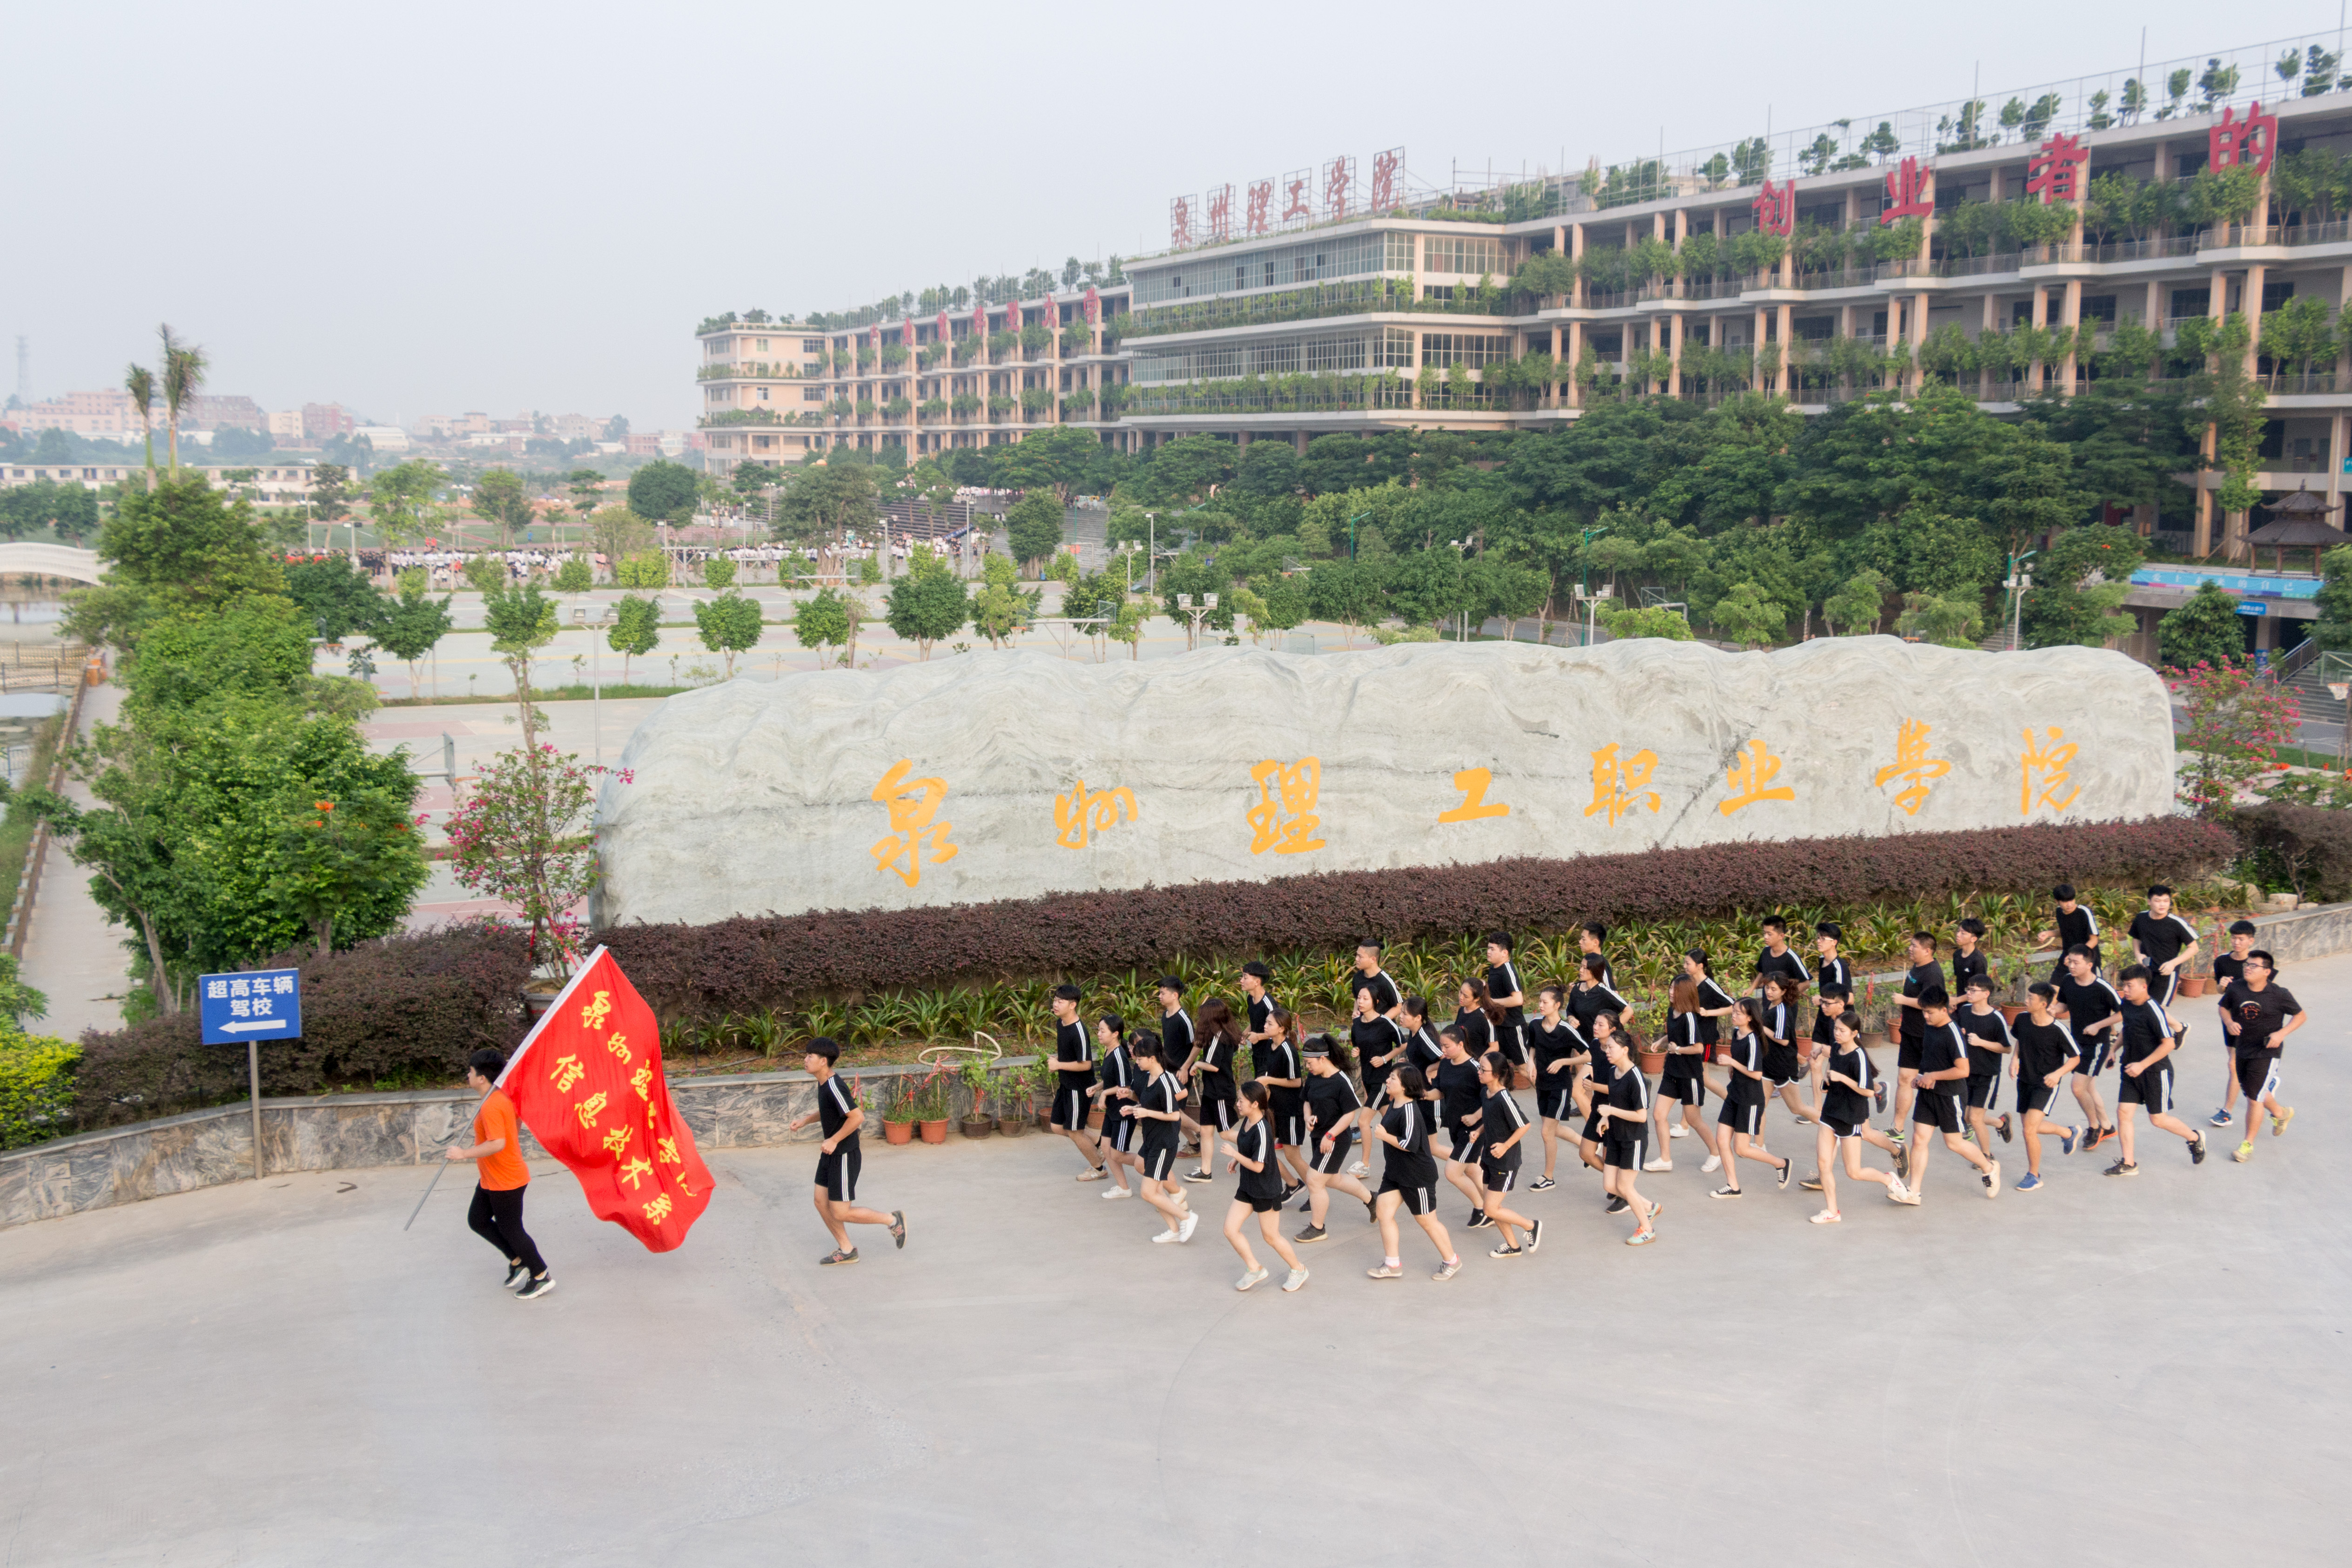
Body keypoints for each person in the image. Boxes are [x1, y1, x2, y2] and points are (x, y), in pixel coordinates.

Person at [786, 1037, 907, 1265]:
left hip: (843, 1154)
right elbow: (831, 1110)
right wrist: (805, 1121)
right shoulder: (824, 1083)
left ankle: (892, 1220)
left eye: (810, 1057)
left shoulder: (834, 1086)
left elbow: (857, 1117)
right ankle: (846, 1249)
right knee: (821, 1202)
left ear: (823, 1061)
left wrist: (833, 1140)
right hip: (831, 1153)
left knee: (841, 1212)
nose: (805, 1060)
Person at [452, 1047, 555, 1299]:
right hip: (491, 1177)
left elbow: (498, 1143)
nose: (468, 1075)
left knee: (512, 1230)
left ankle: (541, 1275)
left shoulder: (492, 1105)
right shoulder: (500, 1098)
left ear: (482, 1078)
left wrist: (463, 1154)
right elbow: (515, 1123)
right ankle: (518, 1261)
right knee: (477, 1220)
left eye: (471, 1071)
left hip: (506, 1180)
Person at [1806, 1014, 1909, 1221]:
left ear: (1854, 1033)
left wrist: (1842, 1078)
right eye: (1836, 1029)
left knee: (1854, 1172)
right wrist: (1826, 1076)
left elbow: (1869, 1091)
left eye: (1842, 1031)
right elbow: (1830, 1059)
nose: (1837, 1033)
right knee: (1823, 1164)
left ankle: (1889, 1180)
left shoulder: (1859, 1056)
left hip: (1851, 1116)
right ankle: (1832, 1212)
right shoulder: (1836, 1049)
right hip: (1830, 1113)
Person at [2108, 966, 2208, 1175]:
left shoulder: (2153, 1010)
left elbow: (2170, 1044)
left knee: (2158, 1120)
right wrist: (2113, 1050)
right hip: (2130, 1069)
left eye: (2129, 986)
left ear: (2144, 987)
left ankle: (2195, 1138)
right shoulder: (2127, 1004)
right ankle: (2129, 1163)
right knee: (2123, 1113)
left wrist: (2142, 1065)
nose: (2125, 990)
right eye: (2124, 985)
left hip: (2155, 1072)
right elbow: (2127, 1029)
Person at [1367, 1066, 1464, 1282]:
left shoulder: (1410, 1110)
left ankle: (1452, 1260)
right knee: (1383, 1212)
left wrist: (1385, 1136)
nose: (1388, 1080)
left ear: (1404, 1086)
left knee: (1428, 1221)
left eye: (1393, 1078)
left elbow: (1410, 1144)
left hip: (1416, 1176)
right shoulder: (1394, 1103)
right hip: (1395, 1173)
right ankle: (1392, 1264)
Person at [1904, 990, 2001, 1200]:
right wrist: (1921, 1077)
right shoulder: (1929, 1027)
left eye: (1930, 1013)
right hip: (1928, 1093)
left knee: (1954, 1143)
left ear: (1944, 1010)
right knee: (1919, 1139)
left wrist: (1933, 1076)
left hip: (1950, 1096)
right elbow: (1931, 1058)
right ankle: (1914, 1191)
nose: (1926, 1016)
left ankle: (1989, 1168)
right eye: (1924, 1012)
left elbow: (1963, 1070)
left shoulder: (1953, 1034)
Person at [1219, 1083, 1308, 1292]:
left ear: (1255, 1104)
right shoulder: (1248, 1121)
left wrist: (1234, 1154)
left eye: (1241, 1100)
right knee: (1230, 1229)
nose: (1238, 1104)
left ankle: (1299, 1269)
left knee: (1271, 1237)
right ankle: (1254, 1268)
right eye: (1238, 1099)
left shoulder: (1262, 1129)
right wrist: (1236, 1160)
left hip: (1265, 1189)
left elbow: (1259, 1166)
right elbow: (1247, 1147)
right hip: (1248, 1187)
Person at [2218, 949, 2302, 1162]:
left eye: (2254, 966)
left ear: (2267, 972)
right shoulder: (2236, 988)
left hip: (2267, 1052)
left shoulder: (2279, 994)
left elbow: (2301, 1016)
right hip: (2243, 1048)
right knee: (2251, 1090)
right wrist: (2229, 1022)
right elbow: (2223, 1008)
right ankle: (2281, 1113)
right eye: (2247, 964)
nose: (2248, 968)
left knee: (2254, 1098)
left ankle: (2247, 1145)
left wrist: (2281, 1034)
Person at [1122, 1035, 1199, 1245]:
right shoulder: (1150, 1078)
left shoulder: (1165, 1082)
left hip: (1163, 1143)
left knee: (1148, 1193)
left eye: (1140, 1058)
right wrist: (1135, 1108)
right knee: (1156, 1191)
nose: (1137, 1062)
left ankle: (1187, 1217)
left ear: (1152, 1059)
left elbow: (1174, 1115)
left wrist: (1146, 1113)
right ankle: (1174, 1230)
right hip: (1151, 1140)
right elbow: (1153, 1105)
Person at [1711, 999, 1791, 1198]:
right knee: (1721, 1140)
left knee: (1742, 1149)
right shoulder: (1736, 1033)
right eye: (1733, 1011)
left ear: (1749, 1018)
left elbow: (1756, 1074)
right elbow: (1740, 1060)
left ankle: (1781, 1163)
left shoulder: (1753, 1040)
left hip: (1750, 1100)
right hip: (1734, 1094)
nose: (1734, 1015)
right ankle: (1733, 1186)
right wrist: (1733, 1067)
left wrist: (1732, 1063)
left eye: (1738, 1013)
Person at [1297, 1036, 1375, 1241]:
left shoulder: (1341, 1081)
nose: (1307, 1067)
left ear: (1323, 1058)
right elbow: (1306, 1101)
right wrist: (1307, 1117)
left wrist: (1330, 1135)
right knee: (1334, 1179)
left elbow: (1350, 1114)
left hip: (1335, 1139)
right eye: (1306, 1063)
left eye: (1310, 1063)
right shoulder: (1314, 1077)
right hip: (1318, 1136)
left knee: (1314, 1181)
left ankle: (1318, 1228)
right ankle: (1371, 1199)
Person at [2008, 984, 2083, 1189]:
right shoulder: (2022, 1019)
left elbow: (2076, 1058)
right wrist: (2015, 1059)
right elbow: (2021, 1040)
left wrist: (2058, 1074)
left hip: (2046, 1084)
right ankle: (2068, 1133)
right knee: (2030, 1127)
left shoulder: (2058, 1030)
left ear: (2043, 1004)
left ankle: (2034, 1175)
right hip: (2025, 1080)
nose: (2026, 1001)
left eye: (2030, 998)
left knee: (2029, 1130)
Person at [1593, 1027, 1660, 1246]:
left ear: (1624, 1050)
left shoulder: (1636, 1078)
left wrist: (1611, 1112)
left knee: (1624, 1187)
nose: (1607, 1051)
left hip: (1634, 1139)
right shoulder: (1614, 1072)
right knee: (1610, 1185)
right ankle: (1650, 1207)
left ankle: (1647, 1229)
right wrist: (1606, 1118)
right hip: (1615, 1135)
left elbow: (1641, 1116)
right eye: (1606, 1047)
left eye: (1611, 1048)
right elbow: (1615, 1100)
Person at [2053, 946, 2123, 1151]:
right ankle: (2107, 1126)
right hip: (2076, 1043)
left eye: (2076, 963)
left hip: (2096, 1045)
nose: (2071, 966)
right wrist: (2053, 1010)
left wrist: (2099, 1026)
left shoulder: (2102, 988)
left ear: (2090, 965)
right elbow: (2064, 1005)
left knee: (2078, 1088)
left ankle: (2094, 1127)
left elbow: (2123, 1013)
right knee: (2089, 1088)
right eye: (2070, 962)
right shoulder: (2068, 981)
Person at [1473, 1053, 1540, 1258]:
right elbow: (1491, 1119)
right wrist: (1479, 1131)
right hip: (1489, 1158)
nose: (1479, 1072)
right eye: (1479, 1068)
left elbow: (1524, 1125)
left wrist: (1505, 1146)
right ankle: (1513, 1245)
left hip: (1506, 1161)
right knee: (1493, 1207)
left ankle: (1531, 1225)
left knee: (1490, 1209)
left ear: (1496, 1074)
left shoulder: (1504, 1099)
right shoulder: (1487, 1093)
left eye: (1483, 1070)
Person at [1525, 982, 1586, 1190]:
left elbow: (1589, 1055)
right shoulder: (1535, 1025)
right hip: (1542, 1084)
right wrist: (1530, 1061)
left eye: (1545, 1002)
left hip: (1560, 1087)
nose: (1540, 1005)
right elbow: (1533, 1046)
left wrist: (1564, 1062)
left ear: (1557, 1005)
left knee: (1547, 1132)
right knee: (1554, 1129)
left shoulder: (1567, 1030)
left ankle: (1548, 1177)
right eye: (1540, 1001)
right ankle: (1586, 1145)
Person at [1648, 973, 1710, 1172]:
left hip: (1690, 1075)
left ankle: (1717, 1153)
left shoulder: (1689, 1017)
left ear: (1685, 993)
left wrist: (1678, 1050)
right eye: (1671, 987)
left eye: (1676, 989)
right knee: (1659, 1115)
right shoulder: (1672, 1010)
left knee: (1694, 1120)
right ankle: (1665, 1159)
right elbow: (1674, 1034)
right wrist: (1661, 1041)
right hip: (1672, 1072)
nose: (1671, 992)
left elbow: (1698, 1048)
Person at [1046, 985, 1107, 1180]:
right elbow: (1070, 1054)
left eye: (1060, 1002)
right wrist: (1058, 1060)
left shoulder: (1079, 1032)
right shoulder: (1061, 1023)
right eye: (1055, 1000)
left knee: (1074, 1132)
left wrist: (1058, 1065)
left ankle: (1098, 1169)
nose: (1055, 1004)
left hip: (1079, 1088)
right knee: (1057, 1126)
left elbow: (1086, 1064)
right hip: (1066, 1084)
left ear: (1073, 1005)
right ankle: (1099, 1143)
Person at [1349, 983, 1408, 1178]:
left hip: (1383, 1080)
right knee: (1389, 1122)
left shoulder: (1386, 1023)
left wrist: (1385, 1058)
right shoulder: (1357, 1024)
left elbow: (1403, 1045)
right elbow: (1358, 1045)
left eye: (1365, 998)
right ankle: (1406, 1154)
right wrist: (1356, 1051)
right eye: (1359, 998)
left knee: (1363, 1120)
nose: (1361, 1002)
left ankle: (1365, 1165)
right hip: (1368, 1078)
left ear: (1375, 1002)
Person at [1432, 1024, 1490, 1225]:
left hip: (1473, 1130)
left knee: (1452, 1173)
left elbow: (1492, 1097)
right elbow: (1439, 1092)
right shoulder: (1445, 1065)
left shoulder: (1475, 1068)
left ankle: (1482, 1208)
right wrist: (1421, 1095)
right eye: (1442, 1046)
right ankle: (1494, 1206)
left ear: (1461, 1045)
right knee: (1472, 1169)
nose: (1443, 1050)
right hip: (1456, 1127)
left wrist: (1475, 1117)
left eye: (1447, 1046)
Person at [1891, 932, 1946, 1137]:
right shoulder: (1917, 966)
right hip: (1909, 1032)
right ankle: (1897, 1128)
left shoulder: (1933, 974)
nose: (1910, 949)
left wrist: (1903, 1000)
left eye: (1914, 946)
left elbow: (1932, 1003)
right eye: (1911, 945)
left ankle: (1961, 1121)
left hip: (1926, 1035)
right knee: (1905, 1078)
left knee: (1934, 1083)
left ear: (1927, 951)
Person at [1954, 974, 2016, 1154]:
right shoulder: (1965, 1011)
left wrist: (1981, 1042)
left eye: (1973, 990)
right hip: (1966, 1072)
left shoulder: (1996, 1018)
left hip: (1987, 1075)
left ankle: (1987, 1156)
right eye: (1968, 989)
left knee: (1975, 1118)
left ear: (1986, 994)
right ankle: (2001, 1123)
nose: (1969, 993)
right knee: (1967, 1116)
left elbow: (2007, 1048)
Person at [1565, 954, 1631, 1122]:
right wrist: (1571, 1019)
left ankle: (1598, 1126)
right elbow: (1570, 1011)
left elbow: (1628, 1010)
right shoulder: (1577, 990)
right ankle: (1594, 1127)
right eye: (1581, 966)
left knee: (1594, 1089)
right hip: (1583, 1047)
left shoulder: (1603, 991)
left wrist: (1612, 1034)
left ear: (1595, 971)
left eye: (1585, 968)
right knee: (1583, 1091)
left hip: (1602, 1049)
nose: (1580, 970)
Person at [2207, 920, 2259, 1129]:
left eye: (2242, 939)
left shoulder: (2258, 962)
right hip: (2229, 1018)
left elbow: (2265, 991)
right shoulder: (2222, 961)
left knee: (2234, 1064)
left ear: (2251, 941)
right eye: (2234, 938)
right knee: (2238, 1066)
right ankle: (2267, 1083)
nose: (2237, 943)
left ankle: (2227, 1112)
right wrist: (2221, 987)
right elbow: (2221, 993)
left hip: (2251, 1019)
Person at [1185, 997, 1243, 1184]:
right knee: (1205, 1131)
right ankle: (1205, 1171)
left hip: (1220, 1093)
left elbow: (1213, 1066)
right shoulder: (1221, 1035)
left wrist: (1197, 1064)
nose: (1200, 1020)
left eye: (1203, 1016)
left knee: (1225, 1133)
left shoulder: (1219, 1038)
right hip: (1212, 1091)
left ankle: (1258, 1144)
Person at [1255, 1006, 1310, 1194]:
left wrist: (1269, 1080)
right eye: (1266, 1022)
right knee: (1266, 1150)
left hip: (1291, 1111)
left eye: (1270, 1024)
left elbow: (1297, 1082)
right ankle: (1293, 1184)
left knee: (1293, 1156)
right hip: (1274, 1108)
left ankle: (1316, 1191)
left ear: (1281, 1029)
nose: (1265, 1026)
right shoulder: (1270, 1045)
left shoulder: (1288, 1050)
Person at [1579, 1011, 1635, 1192]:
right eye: (1595, 1023)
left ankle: (1620, 1192)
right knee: (1586, 1153)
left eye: (1601, 1025)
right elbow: (1589, 1062)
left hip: (1614, 1110)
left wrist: (1594, 1086)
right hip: (1598, 1108)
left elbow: (1619, 1089)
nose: (1595, 1027)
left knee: (1609, 1157)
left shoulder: (1617, 1055)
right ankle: (1618, 1187)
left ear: (1612, 1029)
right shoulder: (1595, 1045)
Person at [1088, 1014, 1140, 1201]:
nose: (1099, 1034)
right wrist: (1098, 1087)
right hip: (1112, 1109)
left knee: (1118, 1154)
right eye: (1099, 1030)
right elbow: (1112, 1080)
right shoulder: (1109, 1051)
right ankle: (1123, 1188)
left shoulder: (1119, 1055)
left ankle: (1151, 1164)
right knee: (1106, 1146)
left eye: (1103, 1031)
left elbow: (1124, 1085)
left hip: (1123, 1110)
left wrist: (1104, 1093)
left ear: (1115, 1034)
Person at [2128, 886, 2199, 1013]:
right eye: (2158, 901)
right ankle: (2176, 1025)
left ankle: (2171, 1026)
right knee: (2139, 1006)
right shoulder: (2141, 918)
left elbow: (2194, 948)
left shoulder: (2177, 923)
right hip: (2145, 970)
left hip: (2166, 973)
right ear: (2149, 902)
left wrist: (2173, 963)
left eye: (2166, 901)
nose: (2162, 905)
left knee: (2155, 1010)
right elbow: (2136, 938)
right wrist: (2138, 954)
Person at [1156, 976, 1202, 1154]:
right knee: (1172, 1111)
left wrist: (1185, 1068)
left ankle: (1201, 1132)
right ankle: (1195, 1144)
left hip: (1181, 1073)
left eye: (1163, 993)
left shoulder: (1184, 1019)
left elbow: (1197, 1045)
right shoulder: (1165, 1016)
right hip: (1168, 1071)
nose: (1160, 996)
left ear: (1175, 995)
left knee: (1173, 1110)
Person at [1759, 971, 1811, 1127]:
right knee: (1759, 1106)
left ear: (1783, 991)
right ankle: (1757, 1140)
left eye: (1773, 989)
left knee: (1796, 1108)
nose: (1769, 992)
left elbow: (1783, 1040)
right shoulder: (1770, 1004)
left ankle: (1830, 1126)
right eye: (1767, 988)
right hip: (1768, 1063)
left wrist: (1761, 1028)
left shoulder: (1782, 1010)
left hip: (1783, 1066)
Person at [2036, 884, 2101, 982]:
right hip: (2067, 957)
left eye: (2072, 900)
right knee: (2054, 988)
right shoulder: (2059, 912)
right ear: (2057, 902)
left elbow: (2094, 940)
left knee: (2086, 989)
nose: (2069, 904)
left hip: (2087, 958)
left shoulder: (2084, 912)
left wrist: (2077, 955)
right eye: (2065, 902)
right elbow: (2065, 931)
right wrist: (2048, 934)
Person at [1484, 930, 1528, 1075]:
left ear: (1505, 953)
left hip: (1513, 1028)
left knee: (1524, 1069)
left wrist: (1491, 1002)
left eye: (1492, 949)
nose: (1488, 952)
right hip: (1499, 1026)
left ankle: (1544, 1091)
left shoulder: (1508, 971)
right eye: (1488, 948)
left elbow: (1518, 1000)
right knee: (1499, 1069)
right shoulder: (1493, 968)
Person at [1753, 916, 1811, 995]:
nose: (1765, 937)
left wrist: (1787, 998)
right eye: (1764, 933)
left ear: (1781, 936)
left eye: (1769, 934)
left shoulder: (1791, 957)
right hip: (1767, 1001)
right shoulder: (1766, 951)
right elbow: (1762, 973)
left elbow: (1806, 983)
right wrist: (1752, 988)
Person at [1452, 977, 1497, 1064]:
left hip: (1475, 1063)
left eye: (1466, 996)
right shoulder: (1462, 1010)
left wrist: (1479, 1062)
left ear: (1476, 999)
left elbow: (1494, 1047)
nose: (1461, 997)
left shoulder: (1484, 1017)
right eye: (1461, 992)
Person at [1949, 918, 1989, 999]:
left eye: (1963, 933)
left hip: (1975, 1003)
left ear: (1974, 939)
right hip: (1961, 1001)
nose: (1958, 935)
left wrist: (1957, 1000)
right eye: (1958, 931)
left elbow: (1980, 990)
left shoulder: (1979, 960)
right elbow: (1959, 979)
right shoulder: (1957, 955)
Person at [1812, 922, 1853, 995]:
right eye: (1818, 938)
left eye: (1823, 939)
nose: (1818, 941)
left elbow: (1846, 998)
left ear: (1834, 942)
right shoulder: (1822, 960)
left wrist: (1821, 1000)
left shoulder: (1839, 966)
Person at [1576, 921, 1616, 989]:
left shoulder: (1601, 966)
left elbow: (1613, 992)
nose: (1580, 942)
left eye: (1584, 939)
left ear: (1595, 943)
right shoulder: (1588, 961)